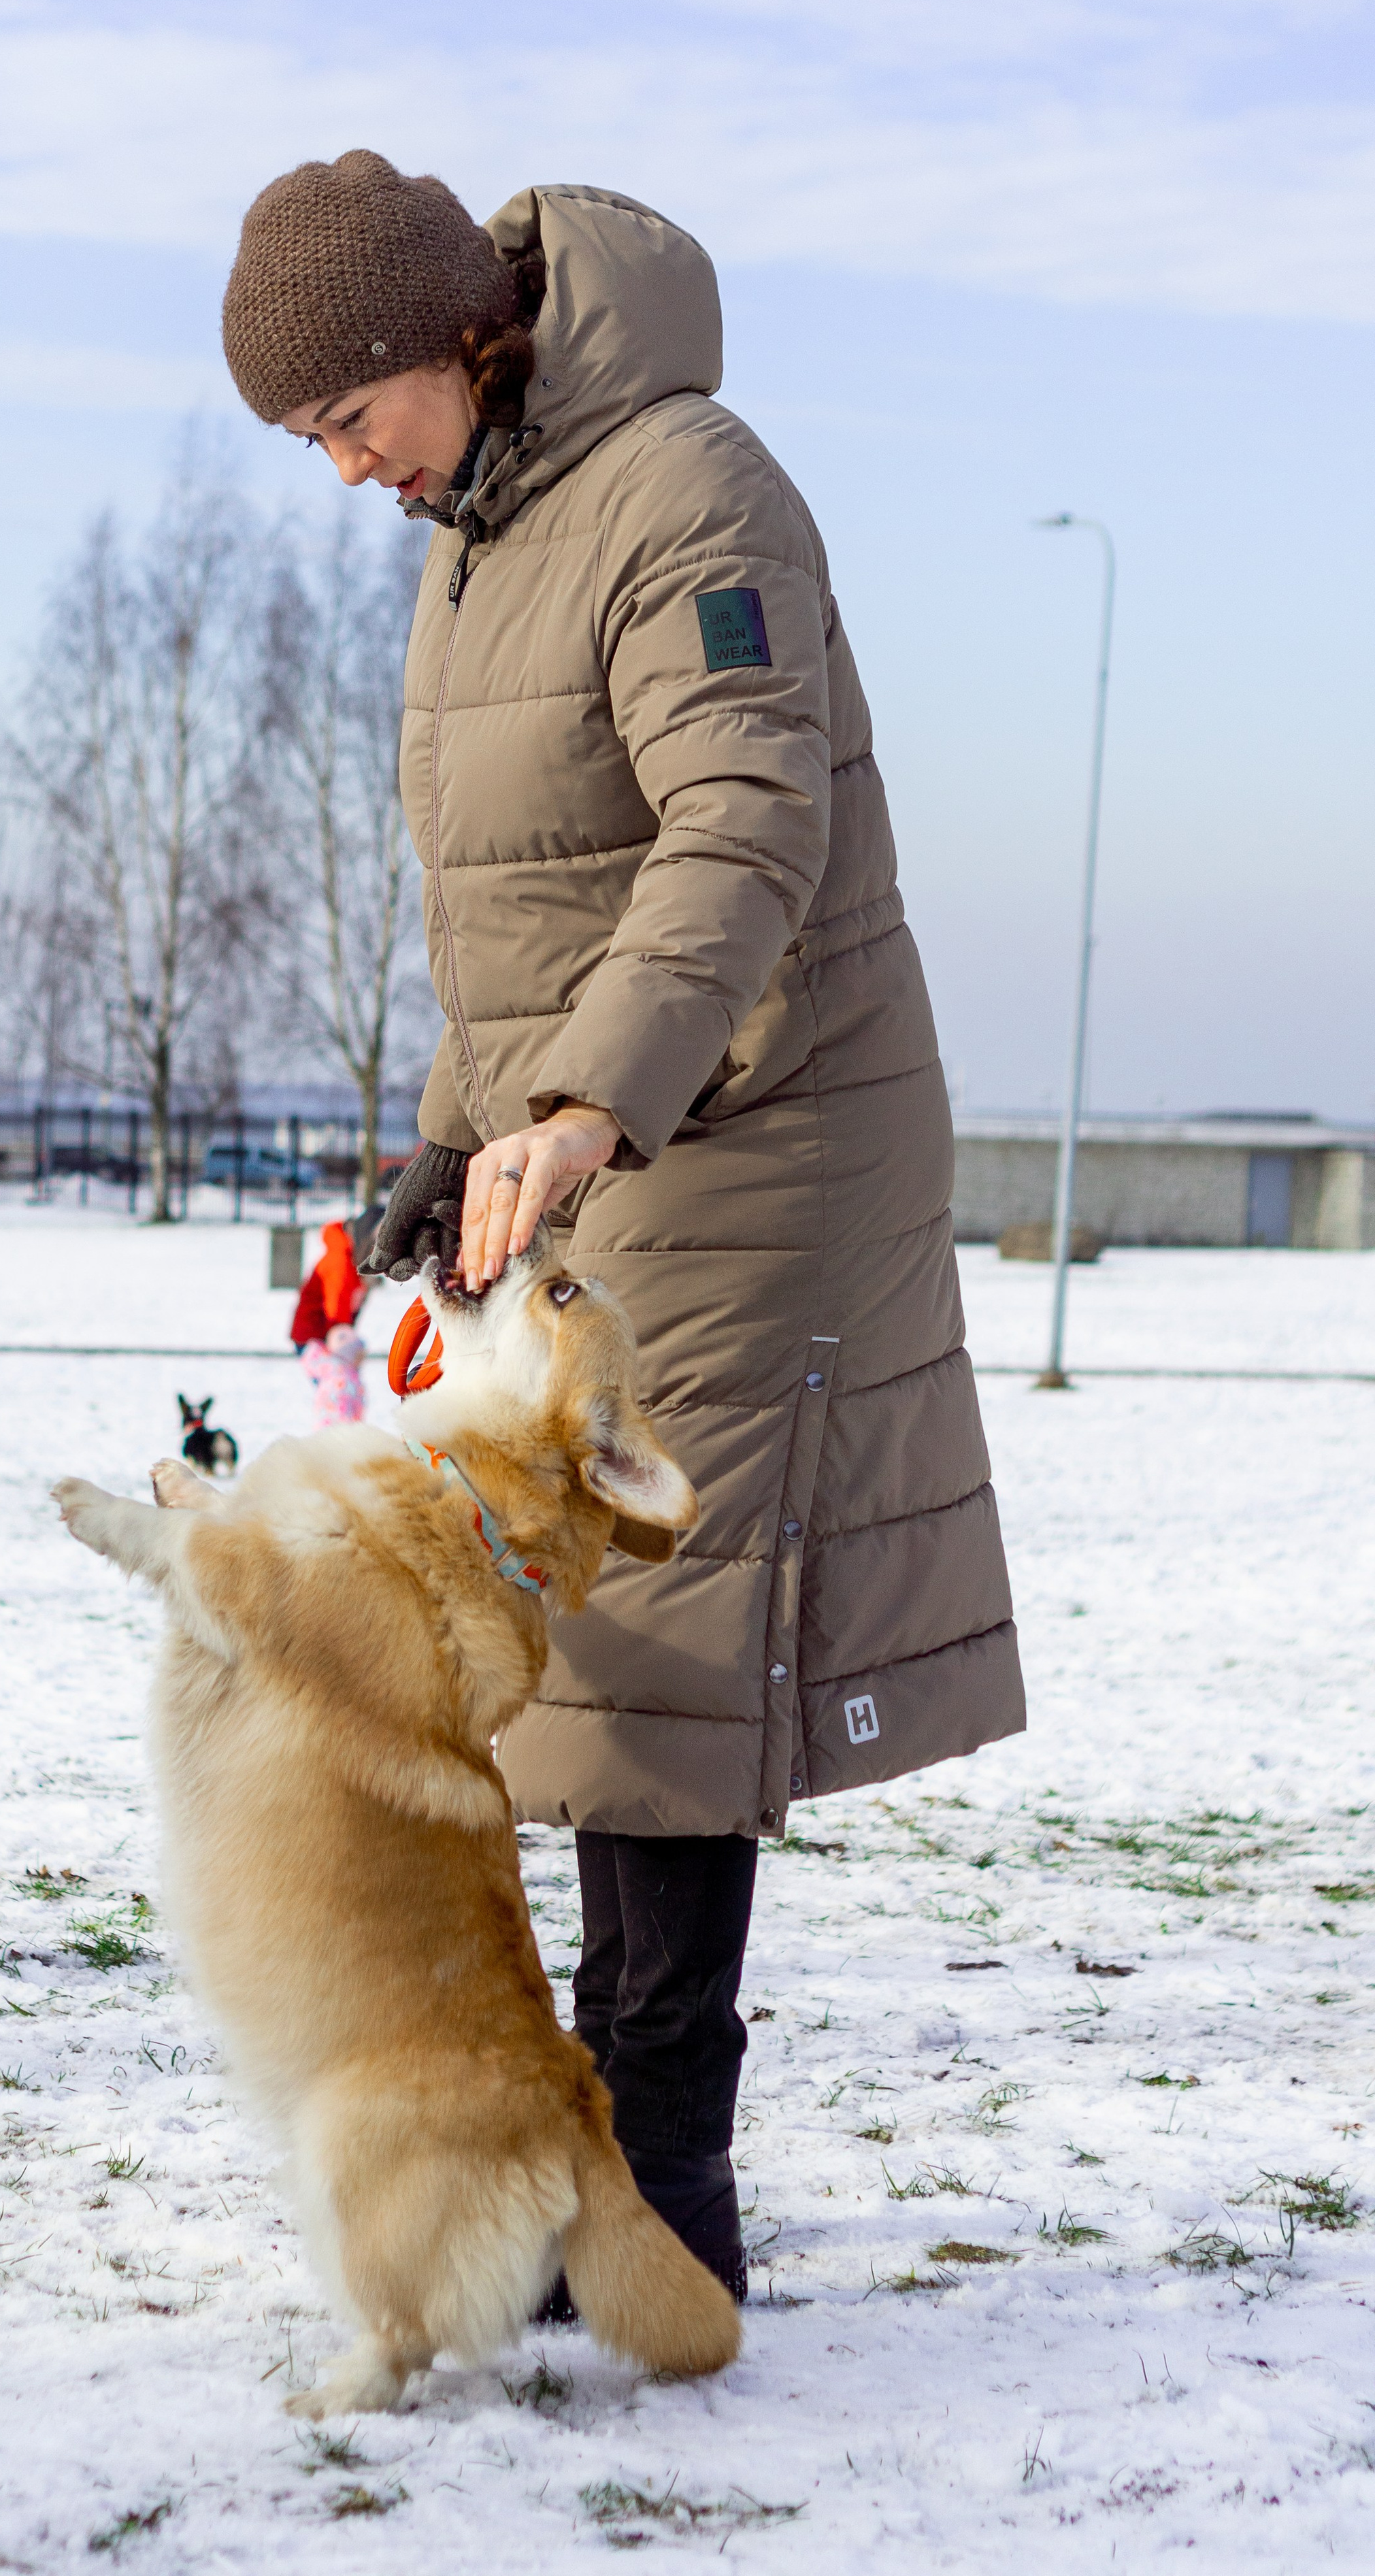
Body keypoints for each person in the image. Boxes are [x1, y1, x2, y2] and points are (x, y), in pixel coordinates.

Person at [222, 154, 1025, 2299]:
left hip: (762, 1135)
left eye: (343, 415)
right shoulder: (474, 539)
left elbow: (740, 823)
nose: (343, 467)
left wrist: (584, 1102)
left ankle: (660, 2186)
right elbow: (524, 918)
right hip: (610, 1136)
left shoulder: (685, 489)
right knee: (587, 1658)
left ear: (451, 335)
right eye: (309, 441)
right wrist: (455, 1125)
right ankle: (605, 2160)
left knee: (660, 1644)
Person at [291, 1220, 368, 1429]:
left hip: (322, 1335)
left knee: (334, 1390)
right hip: (318, 1337)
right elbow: (337, 1309)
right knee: (336, 1390)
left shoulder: (344, 1253)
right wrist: (346, 1343)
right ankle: (335, 1434)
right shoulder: (341, 1260)